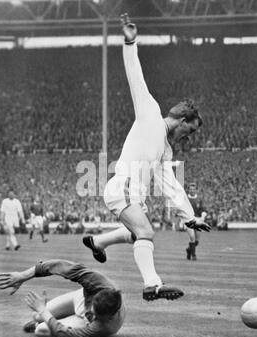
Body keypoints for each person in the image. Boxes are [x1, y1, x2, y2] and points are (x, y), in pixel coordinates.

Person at [83, 14, 211, 302]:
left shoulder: (166, 149)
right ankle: (152, 284)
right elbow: (135, 77)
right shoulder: (150, 111)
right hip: (123, 187)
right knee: (146, 233)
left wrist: (189, 218)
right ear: (180, 119)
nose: (186, 137)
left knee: (133, 234)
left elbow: (170, 186)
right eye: (187, 131)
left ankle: (98, 241)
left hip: (134, 195)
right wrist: (130, 42)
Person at [0, 259, 125, 337]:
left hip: (83, 320)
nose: (91, 315)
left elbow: (63, 333)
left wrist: (43, 309)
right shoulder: (96, 281)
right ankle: (40, 318)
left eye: (95, 316)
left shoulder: (103, 327)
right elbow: (60, 266)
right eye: (92, 311)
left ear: (107, 318)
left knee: (41, 329)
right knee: (37, 316)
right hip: (80, 299)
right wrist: (22, 276)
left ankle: (40, 322)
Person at [185, 183, 207, 261]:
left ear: (196, 190)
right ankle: (193, 255)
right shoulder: (185, 198)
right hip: (188, 219)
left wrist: (203, 216)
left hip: (197, 219)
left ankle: (189, 250)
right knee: (192, 238)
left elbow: (203, 209)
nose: (192, 190)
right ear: (188, 190)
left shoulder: (199, 199)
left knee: (197, 241)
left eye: (193, 189)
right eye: (190, 189)